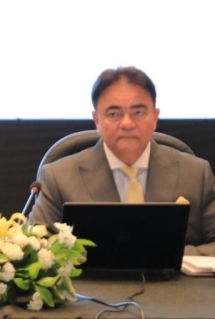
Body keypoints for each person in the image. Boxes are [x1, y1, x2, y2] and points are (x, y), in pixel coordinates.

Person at [31, 66, 215, 256]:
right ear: (97, 120)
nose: (127, 124)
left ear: (155, 117)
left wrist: (171, 256)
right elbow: (37, 249)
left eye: (138, 112)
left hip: (177, 276)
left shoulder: (196, 174)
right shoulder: (59, 177)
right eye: (114, 114)